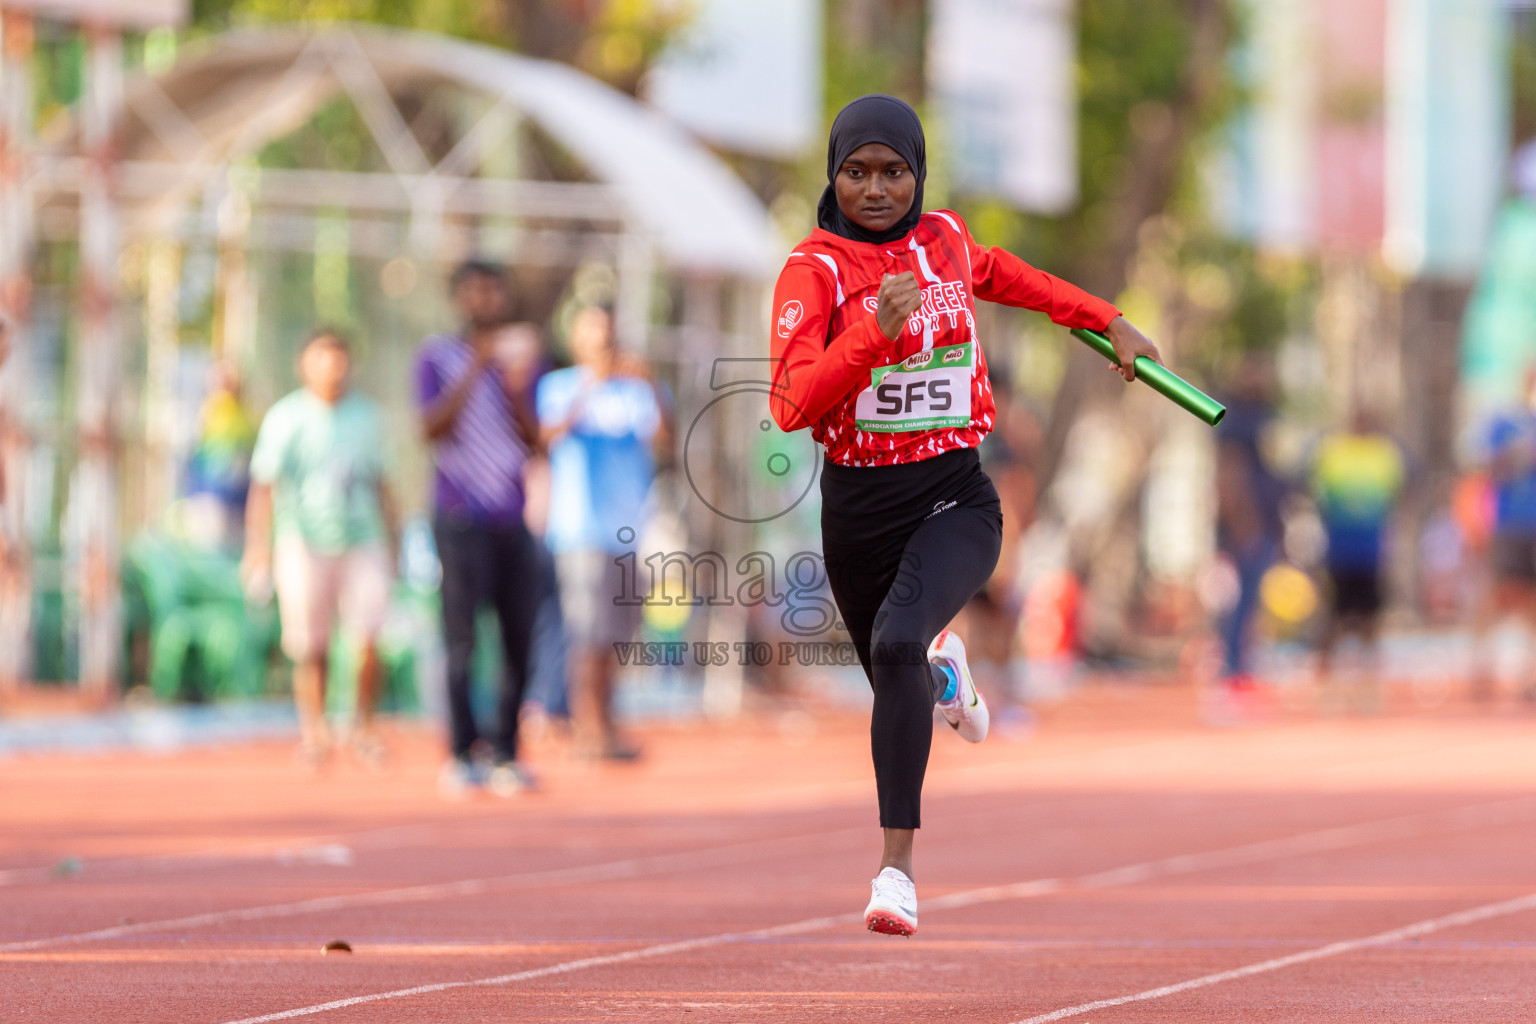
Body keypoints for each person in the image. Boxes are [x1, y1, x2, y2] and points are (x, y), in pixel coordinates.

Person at [768, 95, 1162, 936]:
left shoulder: (944, 239)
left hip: (954, 493)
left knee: (897, 642)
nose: (876, 189)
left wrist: (1110, 321)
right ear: (834, 176)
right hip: (858, 508)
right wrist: (872, 332)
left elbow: (1022, 282)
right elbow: (793, 401)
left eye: (894, 171)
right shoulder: (816, 270)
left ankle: (895, 872)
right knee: (898, 680)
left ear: (918, 175)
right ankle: (947, 671)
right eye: (857, 172)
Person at [242, 329, 397, 768]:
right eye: (321, 356)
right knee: (311, 643)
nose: (331, 366)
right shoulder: (286, 418)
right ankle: (315, 732)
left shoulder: (369, 418)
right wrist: (258, 548)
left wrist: (396, 540)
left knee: (368, 638)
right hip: (303, 541)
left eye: (339, 356)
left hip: (364, 539)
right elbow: (264, 487)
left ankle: (363, 726)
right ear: (303, 364)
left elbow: (386, 486)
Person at [415, 262, 542, 797]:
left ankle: (506, 750)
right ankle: (462, 751)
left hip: (511, 516)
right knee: (462, 639)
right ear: (458, 297)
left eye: (494, 289)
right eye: (475, 290)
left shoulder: (525, 359)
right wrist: (475, 368)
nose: (486, 299)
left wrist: (512, 386)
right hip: (458, 516)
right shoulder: (435, 356)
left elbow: (538, 439)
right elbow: (430, 428)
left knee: (517, 638)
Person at [537, 305, 667, 761]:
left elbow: (666, 442)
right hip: (580, 532)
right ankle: (586, 730)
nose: (601, 337)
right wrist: (592, 381)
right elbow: (548, 436)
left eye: (607, 329)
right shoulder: (559, 386)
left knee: (617, 640)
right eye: (591, 328)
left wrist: (649, 382)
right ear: (575, 337)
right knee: (587, 636)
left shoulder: (636, 388)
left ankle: (607, 727)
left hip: (628, 532)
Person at [1310, 410, 1406, 707]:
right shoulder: (1333, 451)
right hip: (1340, 550)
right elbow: (1319, 497)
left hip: (1370, 551)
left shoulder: (1384, 454)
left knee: (1370, 621)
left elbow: (1396, 498)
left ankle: (1369, 687)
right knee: (1334, 619)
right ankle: (1324, 685)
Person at [1471, 369, 1536, 701]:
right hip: (1511, 523)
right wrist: (1516, 454)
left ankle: (1530, 676)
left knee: (1532, 603)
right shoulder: (1505, 422)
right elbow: (1486, 468)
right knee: (1502, 595)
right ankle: (1481, 667)